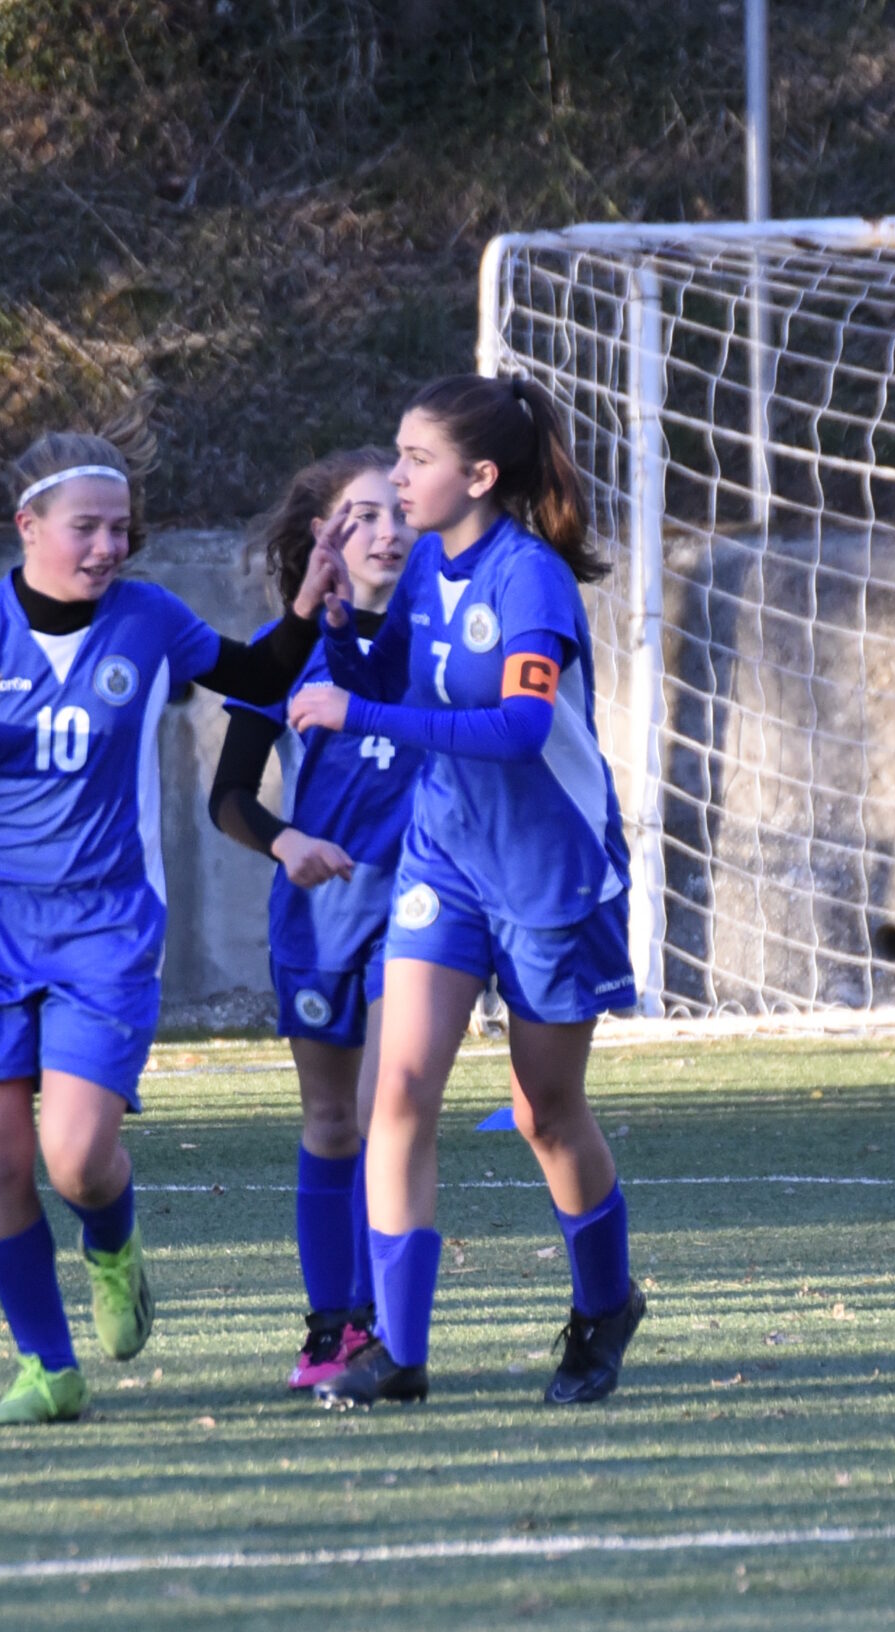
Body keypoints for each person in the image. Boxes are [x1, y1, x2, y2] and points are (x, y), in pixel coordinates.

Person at [0, 430, 324, 1424]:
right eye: (84, 527)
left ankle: (113, 1242)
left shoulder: (148, 620)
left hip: (106, 928)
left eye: (119, 529)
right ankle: (47, 1369)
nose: (106, 547)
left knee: (75, 1159)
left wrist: (305, 612)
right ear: (28, 527)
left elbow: (257, 681)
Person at [287, 374, 644, 1410]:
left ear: (479, 476)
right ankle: (397, 1352)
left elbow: (520, 731)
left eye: (415, 461)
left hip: (549, 873)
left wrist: (361, 715)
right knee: (396, 1092)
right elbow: (384, 677)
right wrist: (339, 615)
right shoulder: (430, 568)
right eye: (396, 458)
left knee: (545, 1112)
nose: (395, 481)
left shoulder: (528, 581)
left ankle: (604, 1305)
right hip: (444, 861)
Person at [206, 451, 421, 1389]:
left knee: (387, 1113)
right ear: (319, 541)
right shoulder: (284, 650)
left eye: (398, 513)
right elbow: (228, 798)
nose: (386, 532)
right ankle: (330, 1328)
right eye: (361, 517)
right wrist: (285, 841)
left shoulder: (444, 641)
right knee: (333, 1122)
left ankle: (383, 1329)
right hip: (318, 920)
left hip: (419, 914)